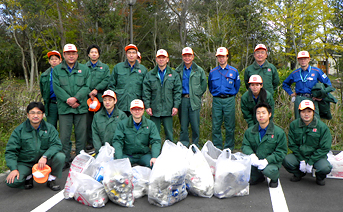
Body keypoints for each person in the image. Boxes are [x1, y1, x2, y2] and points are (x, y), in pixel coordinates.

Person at [5, 102, 65, 191]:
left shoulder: (50, 128)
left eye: (38, 113)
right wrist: (13, 169)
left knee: (60, 156)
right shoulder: (19, 130)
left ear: (43, 115)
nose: (35, 116)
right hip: (26, 163)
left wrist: (45, 156)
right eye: (32, 113)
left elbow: (56, 144)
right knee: (12, 182)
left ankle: (51, 179)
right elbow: (11, 151)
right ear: (28, 115)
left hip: (44, 162)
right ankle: (28, 177)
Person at [52, 44, 90, 169]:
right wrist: (68, 100)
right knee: (64, 136)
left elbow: (87, 86)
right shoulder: (57, 70)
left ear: (77, 55)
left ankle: (81, 160)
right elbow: (56, 87)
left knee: (81, 136)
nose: (71, 55)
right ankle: (65, 160)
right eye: (68, 53)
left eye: (73, 53)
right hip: (64, 108)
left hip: (80, 107)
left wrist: (76, 98)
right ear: (64, 55)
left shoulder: (84, 69)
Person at [282, 100, 332, 186]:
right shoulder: (294, 125)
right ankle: (299, 173)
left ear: (313, 112)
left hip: (317, 157)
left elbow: (325, 147)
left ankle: (319, 177)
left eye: (309, 111)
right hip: (300, 155)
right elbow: (292, 144)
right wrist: (301, 160)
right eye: (303, 111)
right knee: (286, 160)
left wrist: (311, 161)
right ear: (299, 112)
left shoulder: (322, 127)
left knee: (325, 167)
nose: (306, 114)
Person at [242, 102, 287, 188]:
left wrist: (267, 160)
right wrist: (252, 155)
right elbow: (245, 145)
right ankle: (258, 177)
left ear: (269, 114)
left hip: (270, 163)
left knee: (269, 171)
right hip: (255, 161)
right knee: (243, 169)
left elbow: (281, 151)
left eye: (263, 113)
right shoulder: (250, 131)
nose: (261, 115)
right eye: (258, 113)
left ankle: (274, 178)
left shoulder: (278, 132)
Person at [143, 49, 182, 142]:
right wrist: (147, 106)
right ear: (156, 59)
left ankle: (169, 152)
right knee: (154, 133)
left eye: (163, 58)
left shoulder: (174, 75)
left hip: (168, 109)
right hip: (154, 109)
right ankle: (155, 152)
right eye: (159, 58)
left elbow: (177, 92)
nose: (161, 60)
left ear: (167, 59)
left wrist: (176, 106)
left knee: (169, 133)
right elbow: (146, 92)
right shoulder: (150, 75)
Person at [282, 50, 332, 119]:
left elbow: (328, 85)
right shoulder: (295, 73)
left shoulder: (317, 71)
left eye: (305, 59)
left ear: (309, 59)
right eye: (301, 59)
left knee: (315, 121)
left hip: (313, 99)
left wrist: (321, 97)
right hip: (299, 98)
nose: (303, 61)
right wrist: (290, 93)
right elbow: (285, 84)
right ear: (298, 60)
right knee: (299, 121)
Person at [112, 99, 161, 168]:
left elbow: (156, 141)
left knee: (154, 165)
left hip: (144, 155)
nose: (137, 111)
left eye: (139, 109)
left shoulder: (150, 124)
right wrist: (119, 159)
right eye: (134, 109)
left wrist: (155, 157)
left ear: (143, 110)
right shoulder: (122, 124)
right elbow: (117, 141)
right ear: (130, 111)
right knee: (118, 167)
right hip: (127, 155)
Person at [208, 47, 240, 150]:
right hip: (217, 100)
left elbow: (237, 86)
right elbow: (210, 86)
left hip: (229, 100)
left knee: (229, 125)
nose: (221, 59)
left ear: (227, 57)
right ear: (217, 58)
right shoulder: (213, 72)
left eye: (223, 56)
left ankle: (229, 147)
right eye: (219, 57)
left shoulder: (233, 71)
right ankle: (217, 147)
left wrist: (230, 95)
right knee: (216, 124)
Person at [175, 47, 207, 147]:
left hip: (194, 100)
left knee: (195, 124)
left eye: (189, 55)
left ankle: (195, 144)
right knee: (183, 125)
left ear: (193, 57)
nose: (187, 57)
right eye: (185, 55)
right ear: (182, 57)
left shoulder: (199, 70)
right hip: (183, 100)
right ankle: (184, 144)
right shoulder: (178, 70)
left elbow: (203, 84)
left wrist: (197, 95)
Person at [108, 44, 148, 116]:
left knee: (134, 126)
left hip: (136, 106)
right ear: (126, 54)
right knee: (120, 125)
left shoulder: (143, 70)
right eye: (129, 53)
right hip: (120, 104)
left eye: (133, 53)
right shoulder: (118, 67)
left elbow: (145, 89)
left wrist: (144, 103)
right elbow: (111, 85)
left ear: (136, 54)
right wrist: (113, 100)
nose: (131, 55)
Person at [85, 44, 110, 150]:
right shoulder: (84, 67)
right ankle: (90, 142)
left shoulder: (104, 67)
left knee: (101, 120)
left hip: (100, 98)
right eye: (92, 52)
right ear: (88, 54)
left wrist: (96, 90)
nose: (94, 54)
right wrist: (89, 92)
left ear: (99, 54)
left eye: (96, 52)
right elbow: (81, 81)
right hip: (87, 99)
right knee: (88, 122)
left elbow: (106, 79)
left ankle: (103, 141)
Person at [92, 90, 127, 154]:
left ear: (115, 101)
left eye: (110, 100)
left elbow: (125, 135)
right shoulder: (97, 116)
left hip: (118, 151)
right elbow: (95, 135)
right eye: (105, 100)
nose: (107, 102)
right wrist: (99, 151)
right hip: (102, 151)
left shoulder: (122, 116)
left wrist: (118, 151)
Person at [40, 50, 62, 129]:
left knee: (65, 127)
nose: (54, 61)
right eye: (52, 59)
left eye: (56, 59)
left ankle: (66, 141)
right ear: (49, 61)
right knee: (51, 127)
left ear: (60, 60)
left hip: (63, 103)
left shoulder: (65, 73)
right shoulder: (45, 75)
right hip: (51, 104)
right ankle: (52, 141)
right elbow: (43, 91)